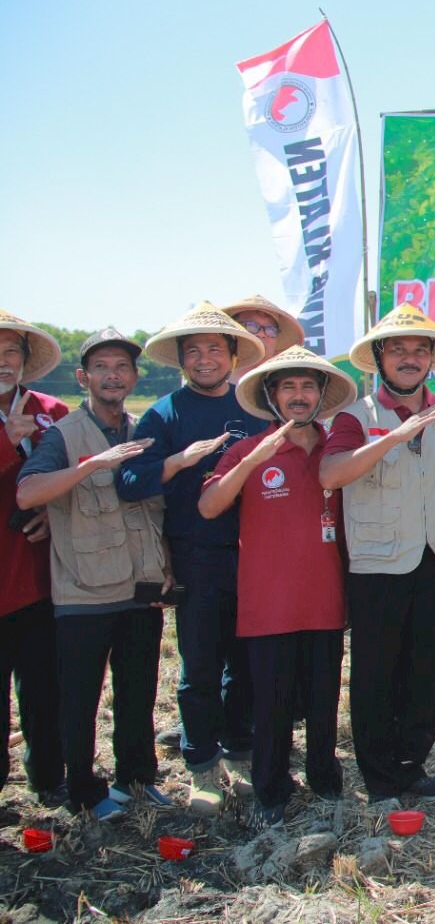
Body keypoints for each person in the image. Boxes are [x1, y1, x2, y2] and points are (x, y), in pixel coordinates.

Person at [16, 329, 173, 821]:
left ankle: (137, 779)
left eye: (122, 366)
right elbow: (28, 493)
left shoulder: (145, 428)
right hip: (83, 589)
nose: (112, 375)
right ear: (84, 378)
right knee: (81, 698)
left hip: (142, 585)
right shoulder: (62, 434)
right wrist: (92, 466)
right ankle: (84, 789)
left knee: (139, 692)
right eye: (101, 367)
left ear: (133, 376)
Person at [116, 304, 267, 814]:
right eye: (193, 351)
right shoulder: (165, 413)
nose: (204, 360)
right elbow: (128, 482)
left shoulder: (255, 409)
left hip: (253, 554)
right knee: (199, 666)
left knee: (244, 664)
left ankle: (239, 754)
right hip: (195, 555)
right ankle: (201, 765)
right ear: (182, 360)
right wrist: (180, 460)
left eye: (214, 350)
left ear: (232, 355)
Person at [197, 345, 358, 824]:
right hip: (269, 606)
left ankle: (325, 779)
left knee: (325, 699)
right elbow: (208, 506)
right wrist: (252, 461)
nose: (298, 395)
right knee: (271, 704)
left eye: (308, 386)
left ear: (321, 394)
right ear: (271, 394)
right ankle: (271, 792)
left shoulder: (339, 449)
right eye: (288, 386)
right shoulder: (248, 450)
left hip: (326, 599)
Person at [319, 304, 435, 805]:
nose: (410, 358)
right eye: (399, 350)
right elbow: (331, 475)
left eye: (420, 350)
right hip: (377, 565)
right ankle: (380, 777)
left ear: (432, 358)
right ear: (379, 358)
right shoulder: (353, 418)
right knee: (375, 674)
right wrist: (395, 438)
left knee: (426, 669)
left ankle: (412, 764)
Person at [0, 311, 69, 807]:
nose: (2, 362)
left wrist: (52, 510)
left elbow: (75, 482)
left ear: (25, 361)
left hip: (41, 578)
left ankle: (49, 778)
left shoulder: (53, 411)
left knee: (45, 687)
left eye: (10, 352)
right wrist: (6, 444)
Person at [223, 295, 305, 378]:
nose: (262, 334)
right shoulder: (212, 383)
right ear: (232, 332)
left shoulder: (287, 386)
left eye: (271, 330)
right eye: (251, 326)